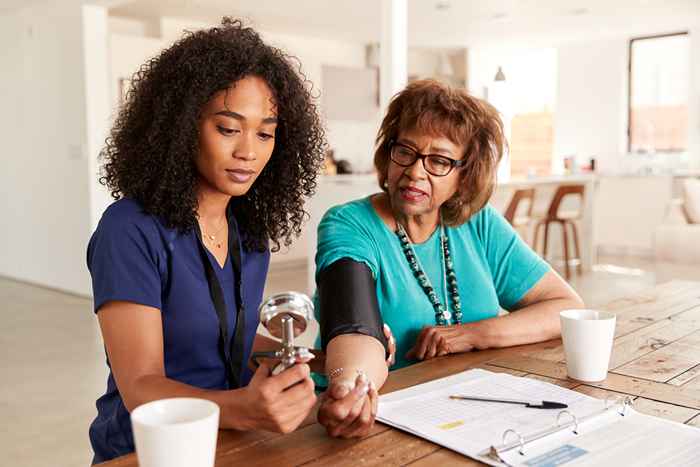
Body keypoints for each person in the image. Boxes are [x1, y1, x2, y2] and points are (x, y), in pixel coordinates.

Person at [87, 18, 327, 463]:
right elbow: (141, 387)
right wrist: (247, 409)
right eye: (228, 128)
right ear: (181, 126)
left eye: (265, 132)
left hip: (231, 445)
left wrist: (313, 357)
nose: (248, 152)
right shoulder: (129, 230)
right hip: (146, 453)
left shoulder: (248, 233)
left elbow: (223, 340)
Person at [315, 79, 584, 437]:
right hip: (383, 417)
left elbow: (565, 307)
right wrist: (351, 388)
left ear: (465, 175)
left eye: (439, 160)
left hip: (470, 411)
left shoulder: (481, 224)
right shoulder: (348, 224)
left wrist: (471, 334)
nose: (415, 171)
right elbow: (354, 327)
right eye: (405, 151)